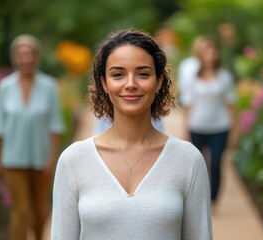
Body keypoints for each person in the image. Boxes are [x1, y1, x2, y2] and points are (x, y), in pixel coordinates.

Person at [51, 29, 212, 239]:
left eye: (143, 74)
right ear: (104, 84)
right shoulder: (73, 160)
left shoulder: (188, 159)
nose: (130, 84)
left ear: (159, 81)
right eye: (118, 74)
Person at [0, 34, 65, 240]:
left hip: (41, 160)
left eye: (29, 54)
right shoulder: (5, 87)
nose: (26, 59)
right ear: (15, 57)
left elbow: (55, 126)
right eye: (21, 54)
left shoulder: (49, 86)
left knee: (39, 212)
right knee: (22, 212)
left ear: (36, 56)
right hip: (12, 159)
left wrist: (52, 158)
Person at [180, 35, 237, 210]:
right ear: (200, 55)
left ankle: (213, 200)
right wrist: (185, 129)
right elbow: (187, 105)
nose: (211, 55)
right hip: (197, 126)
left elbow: (231, 104)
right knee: (198, 165)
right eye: (207, 51)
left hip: (220, 126)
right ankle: (198, 199)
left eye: (213, 51)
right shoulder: (193, 77)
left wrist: (235, 131)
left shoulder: (224, 76)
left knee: (216, 162)